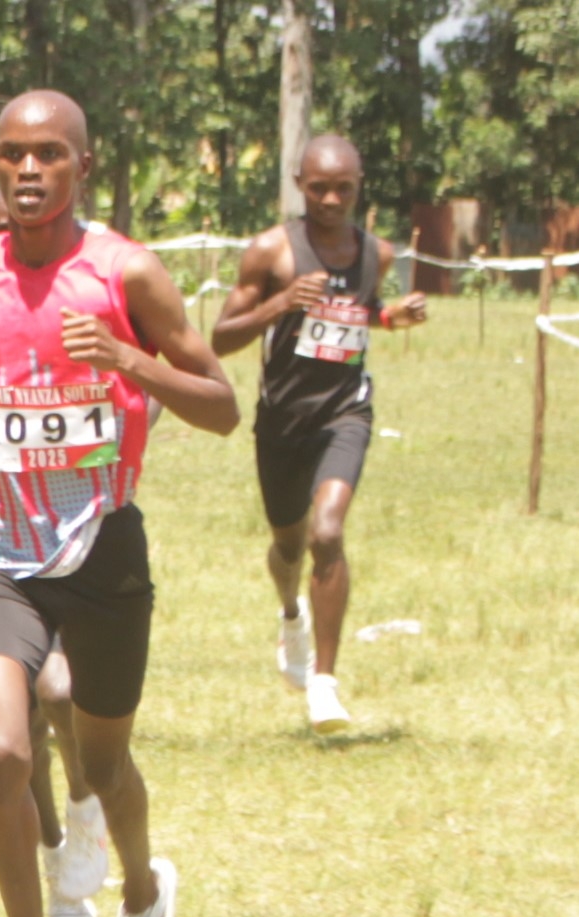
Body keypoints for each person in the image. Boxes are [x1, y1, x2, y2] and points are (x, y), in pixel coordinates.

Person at [0, 92, 238, 917]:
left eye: (47, 155)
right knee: (2, 750)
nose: (26, 172)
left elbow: (223, 408)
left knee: (102, 769)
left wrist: (131, 361)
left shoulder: (124, 271)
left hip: (104, 550)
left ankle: (142, 886)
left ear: (82, 166)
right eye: (11, 154)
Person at [211, 133, 426, 734]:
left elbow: (359, 312)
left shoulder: (374, 253)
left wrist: (389, 317)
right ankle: (290, 615)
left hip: (345, 411)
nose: (332, 199)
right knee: (288, 547)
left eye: (344, 188)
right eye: (319, 187)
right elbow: (220, 337)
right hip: (282, 420)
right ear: (299, 184)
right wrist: (279, 304)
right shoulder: (271, 252)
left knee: (327, 532)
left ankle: (324, 686)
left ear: (360, 187)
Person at [0, 187, 108, 917]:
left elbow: (148, 391)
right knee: (20, 725)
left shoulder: (90, 299)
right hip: (2, 547)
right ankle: (52, 858)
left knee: (66, 694)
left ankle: (84, 806)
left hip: (89, 541)